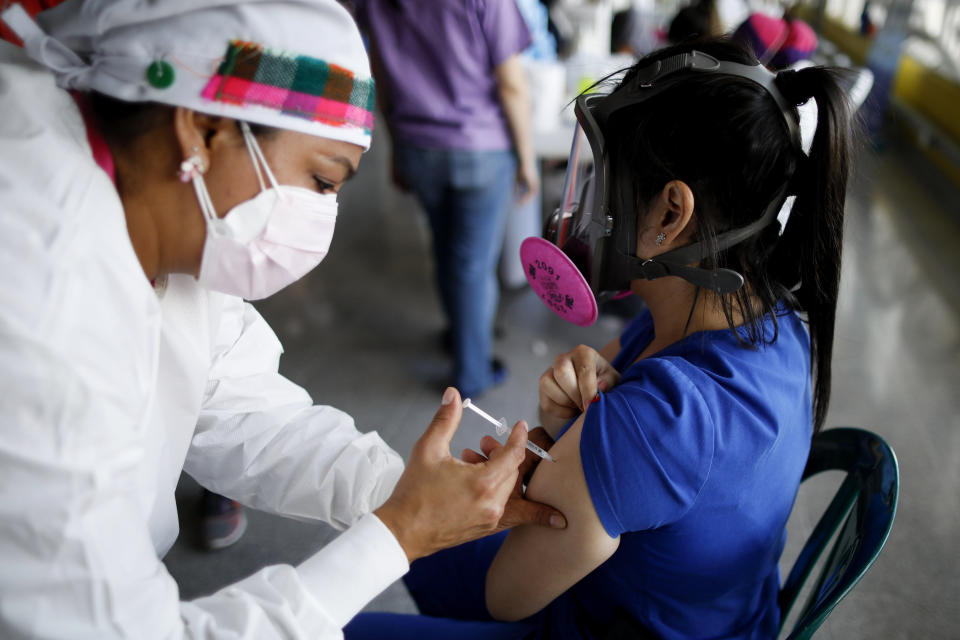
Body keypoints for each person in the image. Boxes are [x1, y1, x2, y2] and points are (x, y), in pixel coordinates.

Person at [0, 1, 566, 637]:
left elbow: (247, 414)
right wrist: (398, 535)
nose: (323, 214)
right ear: (202, 129)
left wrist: (410, 486)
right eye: (321, 180)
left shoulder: (164, 227)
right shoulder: (39, 299)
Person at [345, 37, 852, 639]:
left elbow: (508, 597)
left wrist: (570, 457)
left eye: (605, 180)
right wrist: (568, 440)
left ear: (671, 214)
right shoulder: (767, 320)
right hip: (724, 617)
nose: (586, 206)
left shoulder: (652, 419)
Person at [353, 0, 539, 398]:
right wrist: (527, 157)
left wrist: (397, 145)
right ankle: (472, 373)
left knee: (446, 250)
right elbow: (511, 83)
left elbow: (381, 75)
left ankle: (460, 335)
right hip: (481, 149)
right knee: (472, 264)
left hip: (417, 146)